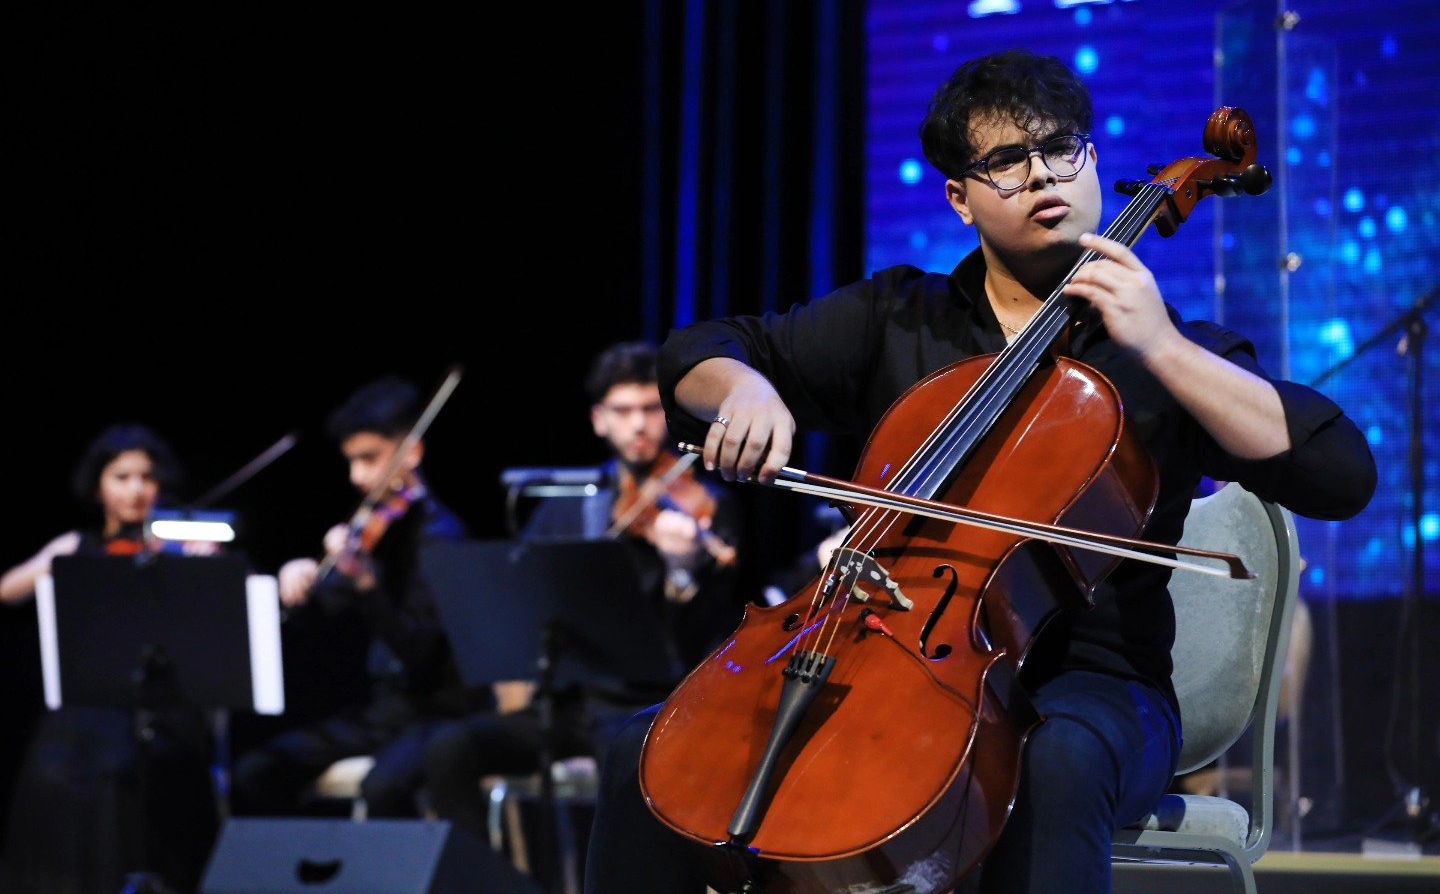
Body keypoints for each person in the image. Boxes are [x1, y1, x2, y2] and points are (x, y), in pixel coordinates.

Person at [581, 48, 1377, 894]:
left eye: (1060, 148)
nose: (1041, 176)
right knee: (644, 752)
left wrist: (1163, 348)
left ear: (1092, 160)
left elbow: (1339, 474)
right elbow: (700, 351)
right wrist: (744, 390)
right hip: (866, 649)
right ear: (960, 198)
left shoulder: (1173, 352)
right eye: (1006, 160)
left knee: (1051, 760)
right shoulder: (898, 319)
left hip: (1095, 689)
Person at [421, 341, 746, 845]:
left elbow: (706, 634)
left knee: (623, 772)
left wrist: (682, 571)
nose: (638, 425)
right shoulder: (565, 505)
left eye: (649, 410)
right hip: (571, 704)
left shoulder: (707, 505)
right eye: (623, 411)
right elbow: (524, 604)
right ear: (599, 420)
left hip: (647, 705)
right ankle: (491, 878)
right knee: (450, 748)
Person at [229, 375, 488, 820]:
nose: (357, 477)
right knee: (258, 771)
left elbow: (421, 655)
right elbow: (318, 618)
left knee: (383, 787)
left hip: (439, 715)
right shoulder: (371, 533)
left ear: (412, 453)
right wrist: (298, 582)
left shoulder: (442, 538)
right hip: (381, 716)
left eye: (370, 459)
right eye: (351, 461)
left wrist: (368, 587)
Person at [0, 423, 221, 894]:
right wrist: (57, 569)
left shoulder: (174, 547)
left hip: (159, 703)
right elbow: (7, 591)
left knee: (134, 762)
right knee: (53, 765)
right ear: (99, 486)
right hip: (90, 698)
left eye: (147, 477)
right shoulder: (75, 546)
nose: (136, 490)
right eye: (121, 477)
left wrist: (200, 568)